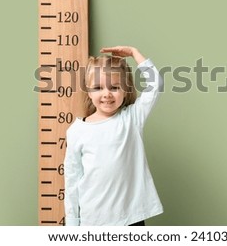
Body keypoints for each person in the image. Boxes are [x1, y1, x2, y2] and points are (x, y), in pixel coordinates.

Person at [64, 45, 164, 226]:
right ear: (88, 90)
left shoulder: (132, 118)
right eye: (98, 87)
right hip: (92, 221)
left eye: (114, 87)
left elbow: (156, 84)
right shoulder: (77, 131)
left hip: (130, 219)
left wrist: (135, 53)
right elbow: (72, 181)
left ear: (125, 90)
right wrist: (72, 225)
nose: (106, 94)